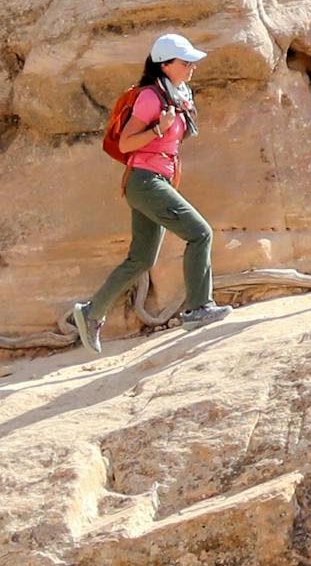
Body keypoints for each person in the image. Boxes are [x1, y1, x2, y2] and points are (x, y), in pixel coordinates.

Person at [60, 33, 226, 352]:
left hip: (154, 180)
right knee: (200, 233)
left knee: (141, 258)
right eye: (185, 61)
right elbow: (126, 143)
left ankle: (91, 313)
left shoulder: (177, 93)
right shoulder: (151, 97)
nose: (192, 66)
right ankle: (198, 308)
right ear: (165, 64)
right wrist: (159, 129)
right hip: (146, 181)